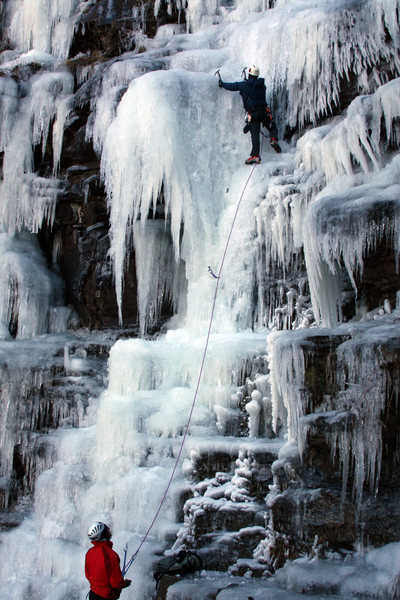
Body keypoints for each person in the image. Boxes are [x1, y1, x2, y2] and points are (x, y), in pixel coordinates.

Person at [218, 64, 281, 164]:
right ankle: (273, 139)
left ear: (249, 75)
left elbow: (232, 86)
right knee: (272, 127)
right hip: (264, 112)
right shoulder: (262, 86)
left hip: (254, 113)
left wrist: (222, 84)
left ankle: (255, 156)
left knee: (255, 134)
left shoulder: (244, 85)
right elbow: (254, 88)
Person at [85, 521, 132, 600]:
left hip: (93, 594)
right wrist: (125, 583)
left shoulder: (90, 552)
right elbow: (116, 583)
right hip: (106, 597)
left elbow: (88, 575)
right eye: (107, 529)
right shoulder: (111, 555)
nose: (109, 529)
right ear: (103, 534)